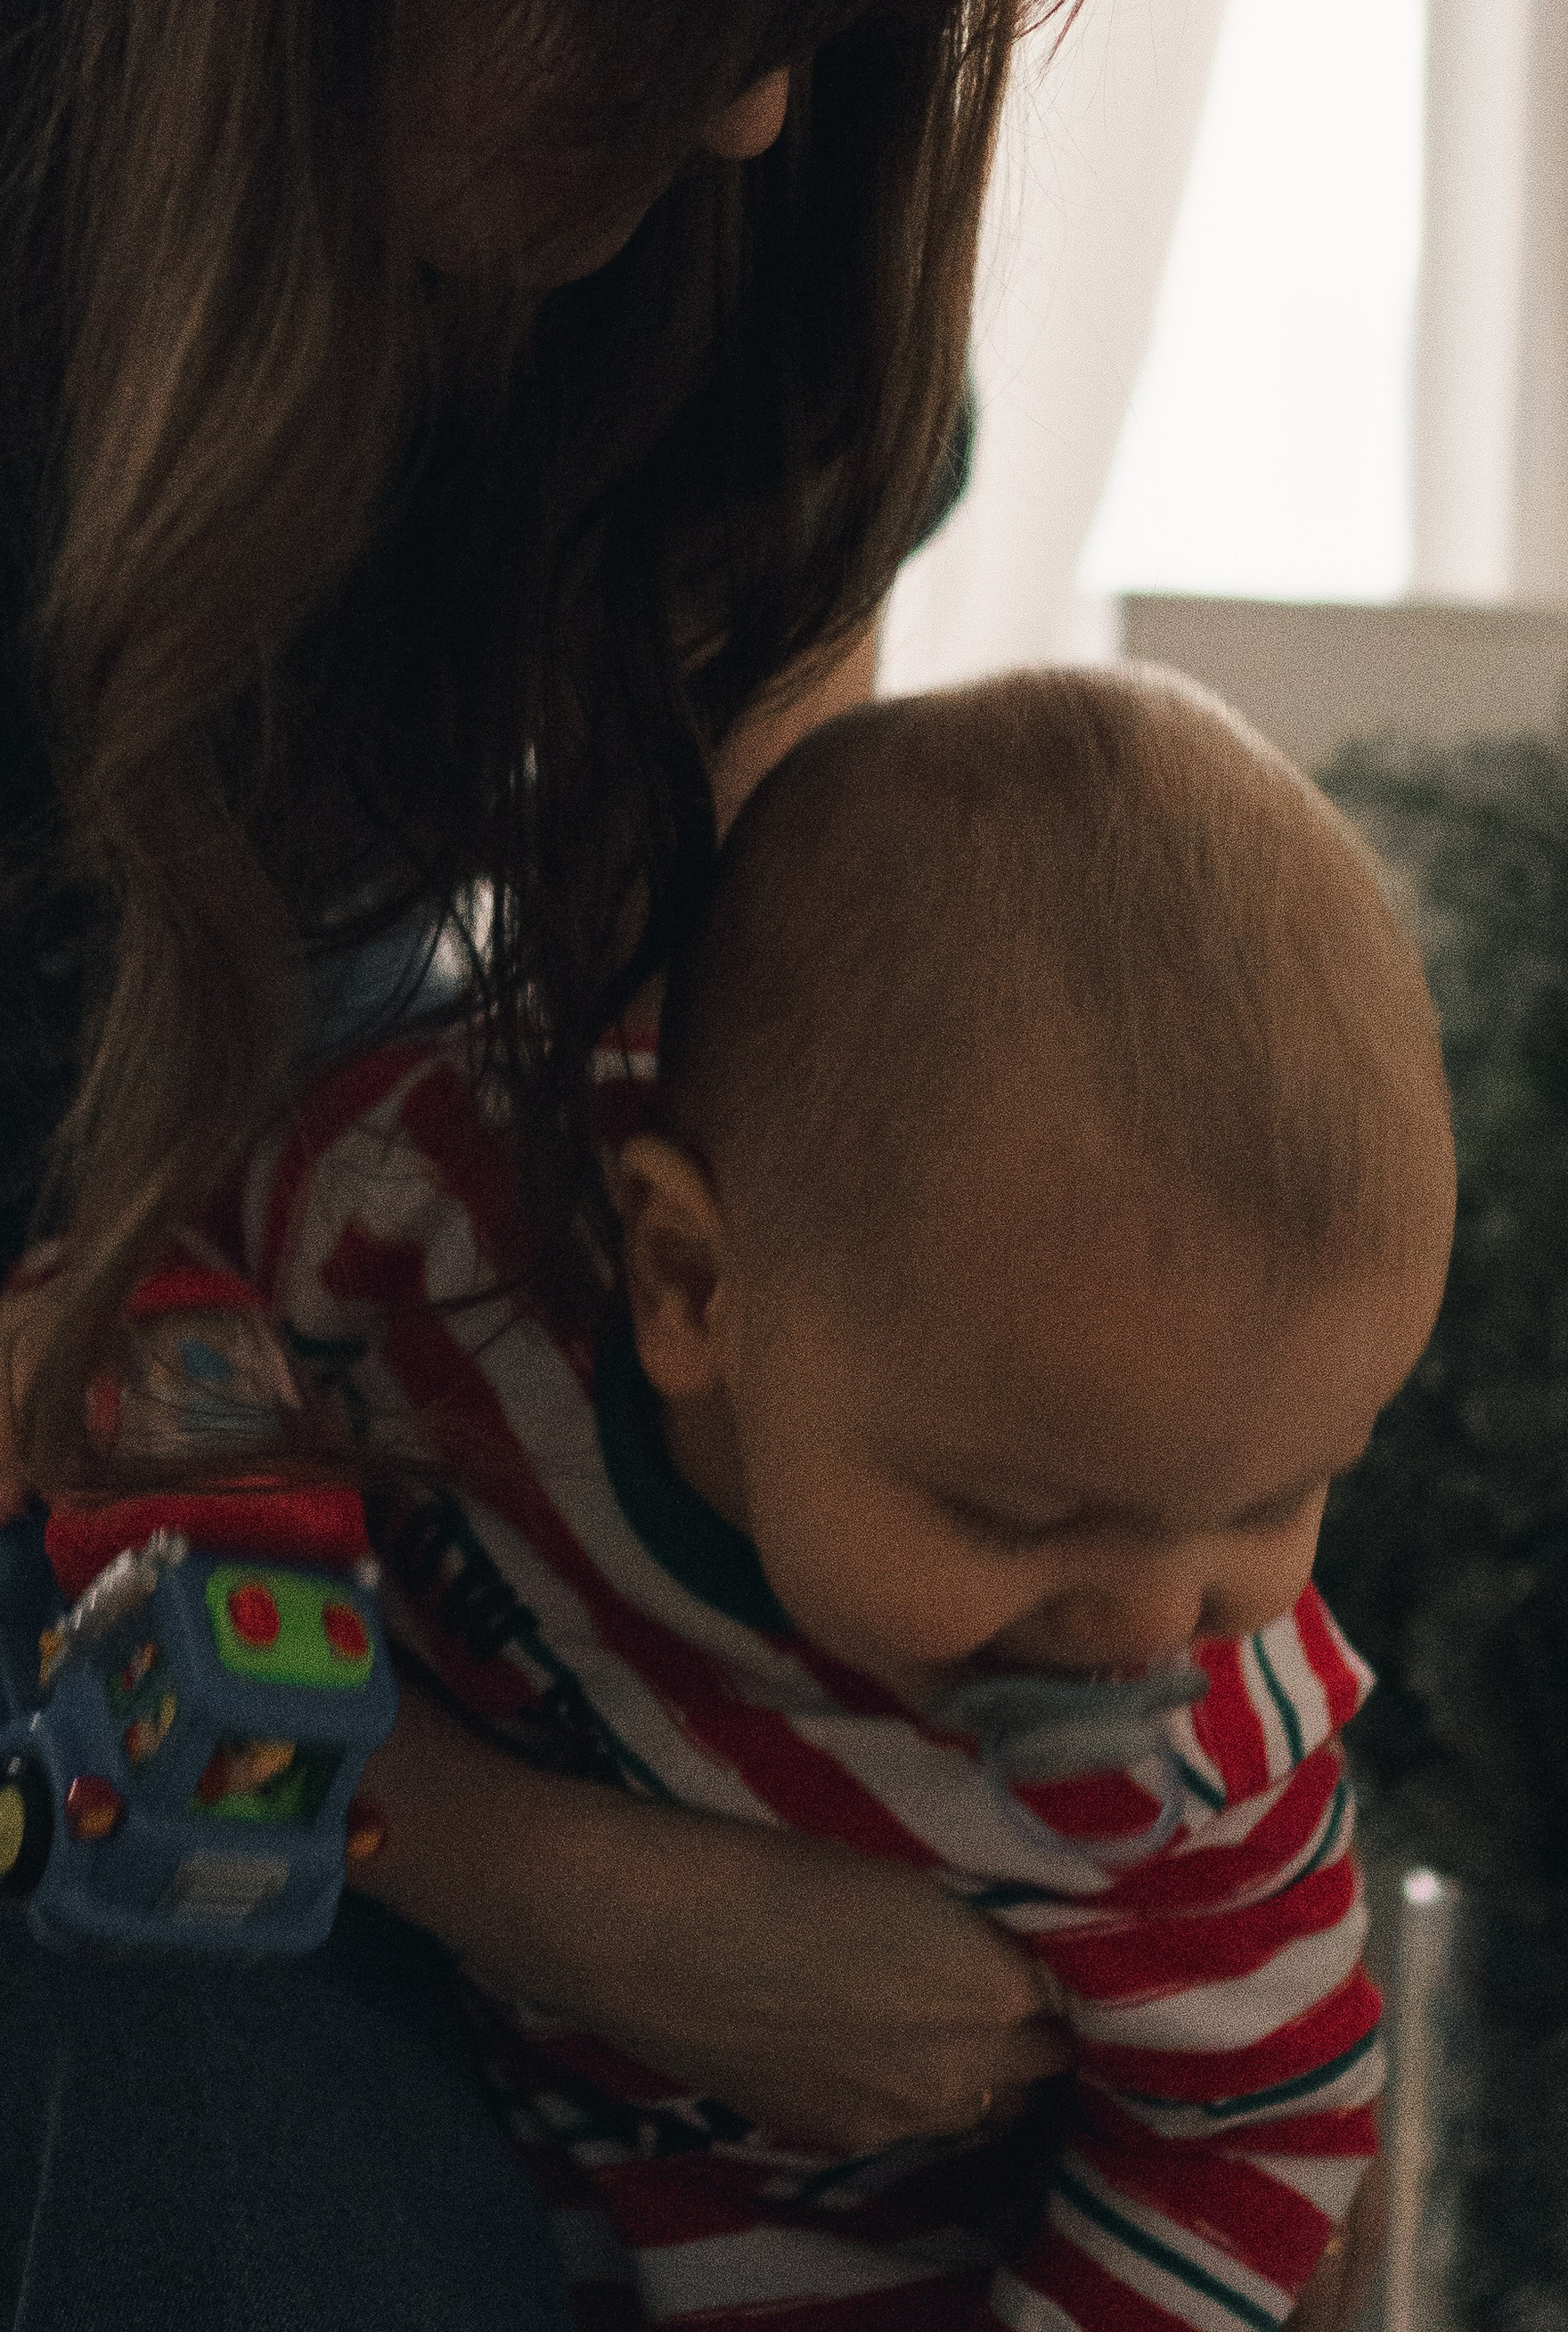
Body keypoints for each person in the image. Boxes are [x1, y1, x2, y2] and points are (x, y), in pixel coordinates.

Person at [0, 0, 1210, 2320]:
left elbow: (751, 1134)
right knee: (197, 2011)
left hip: (378, 1310)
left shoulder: (730, 192)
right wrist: (546, 1869)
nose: (757, 99)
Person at [226, 665, 1458, 2326]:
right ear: (690, 1285)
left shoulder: (1189, 1778)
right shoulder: (435, 1224)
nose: (1163, 1624)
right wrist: (73, 1351)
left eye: (1281, 1501)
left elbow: (1254, 2132)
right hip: (424, 2136)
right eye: (1025, 1518)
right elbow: (179, 1284)